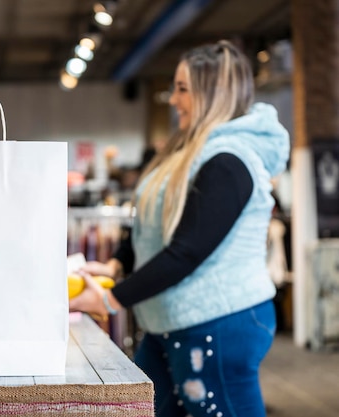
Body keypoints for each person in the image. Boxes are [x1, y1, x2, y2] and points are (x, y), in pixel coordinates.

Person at [69, 40, 290, 417]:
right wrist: (116, 265)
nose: (172, 100)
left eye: (183, 89)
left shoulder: (228, 160)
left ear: (213, 93)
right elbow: (152, 224)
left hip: (217, 323)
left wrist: (111, 299)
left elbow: (187, 251)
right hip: (173, 318)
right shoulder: (186, 151)